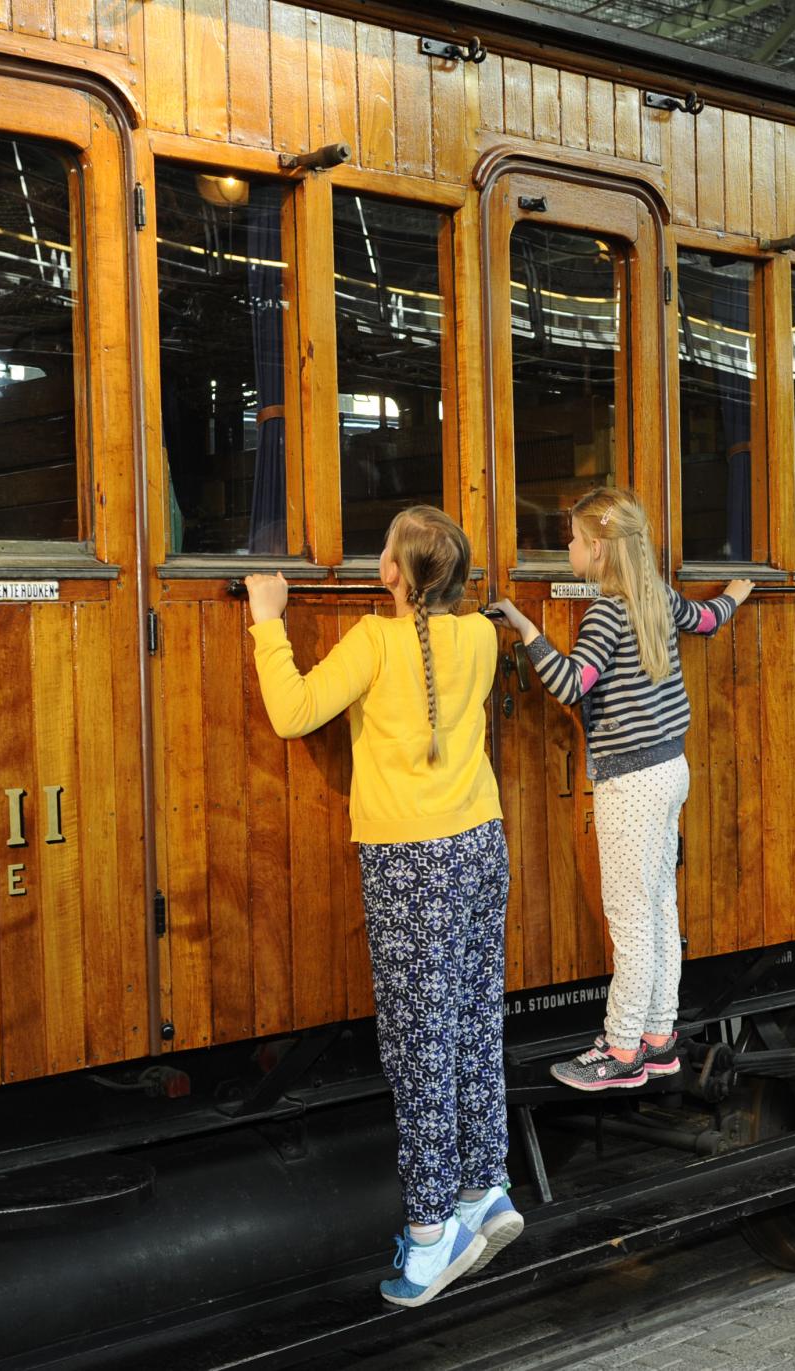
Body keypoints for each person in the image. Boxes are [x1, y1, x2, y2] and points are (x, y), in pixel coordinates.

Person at [244, 506, 521, 1308]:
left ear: (393, 574)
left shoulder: (375, 639)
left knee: (417, 1045)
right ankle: (486, 1187)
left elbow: (294, 712)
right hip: (479, 843)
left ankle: (430, 1235)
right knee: (471, 1022)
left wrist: (269, 623)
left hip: (410, 861)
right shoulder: (481, 638)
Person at [493, 487, 752, 1091]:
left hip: (631, 781)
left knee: (630, 916)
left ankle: (621, 1048)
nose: (568, 547)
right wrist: (737, 595)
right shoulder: (656, 596)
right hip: (670, 770)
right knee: (660, 907)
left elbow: (570, 683)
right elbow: (707, 619)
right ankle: (660, 1039)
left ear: (601, 550)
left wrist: (524, 624)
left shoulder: (607, 612)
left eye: (575, 540)